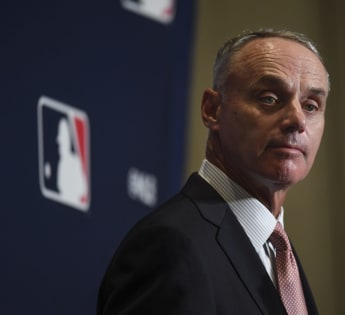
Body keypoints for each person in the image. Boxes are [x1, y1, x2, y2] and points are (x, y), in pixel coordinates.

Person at [97, 28, 330, 315]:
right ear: (212, 109)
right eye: (269, 98)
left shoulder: (280, 253)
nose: (297, 120)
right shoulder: (170, 246)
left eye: (311, 105)